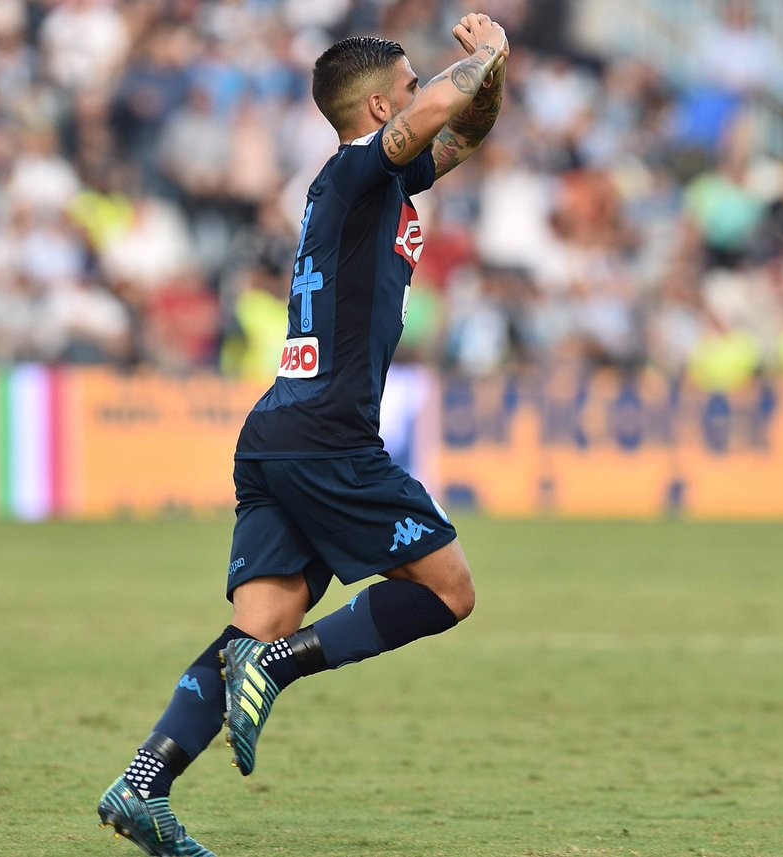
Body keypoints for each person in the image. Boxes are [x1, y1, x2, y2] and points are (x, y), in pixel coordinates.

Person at [97, 13, 509, 856]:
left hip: (280, 431)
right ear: (377, 111)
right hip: (328, 437)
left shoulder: (375, 183)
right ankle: (278, 668)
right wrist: (491, 53)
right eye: (406, 87)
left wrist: (490, 78)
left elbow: (466, 128)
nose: (419, 94)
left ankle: (143, 783)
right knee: (448, 590)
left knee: (262, 619)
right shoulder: (357, 170)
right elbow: (441, 108)